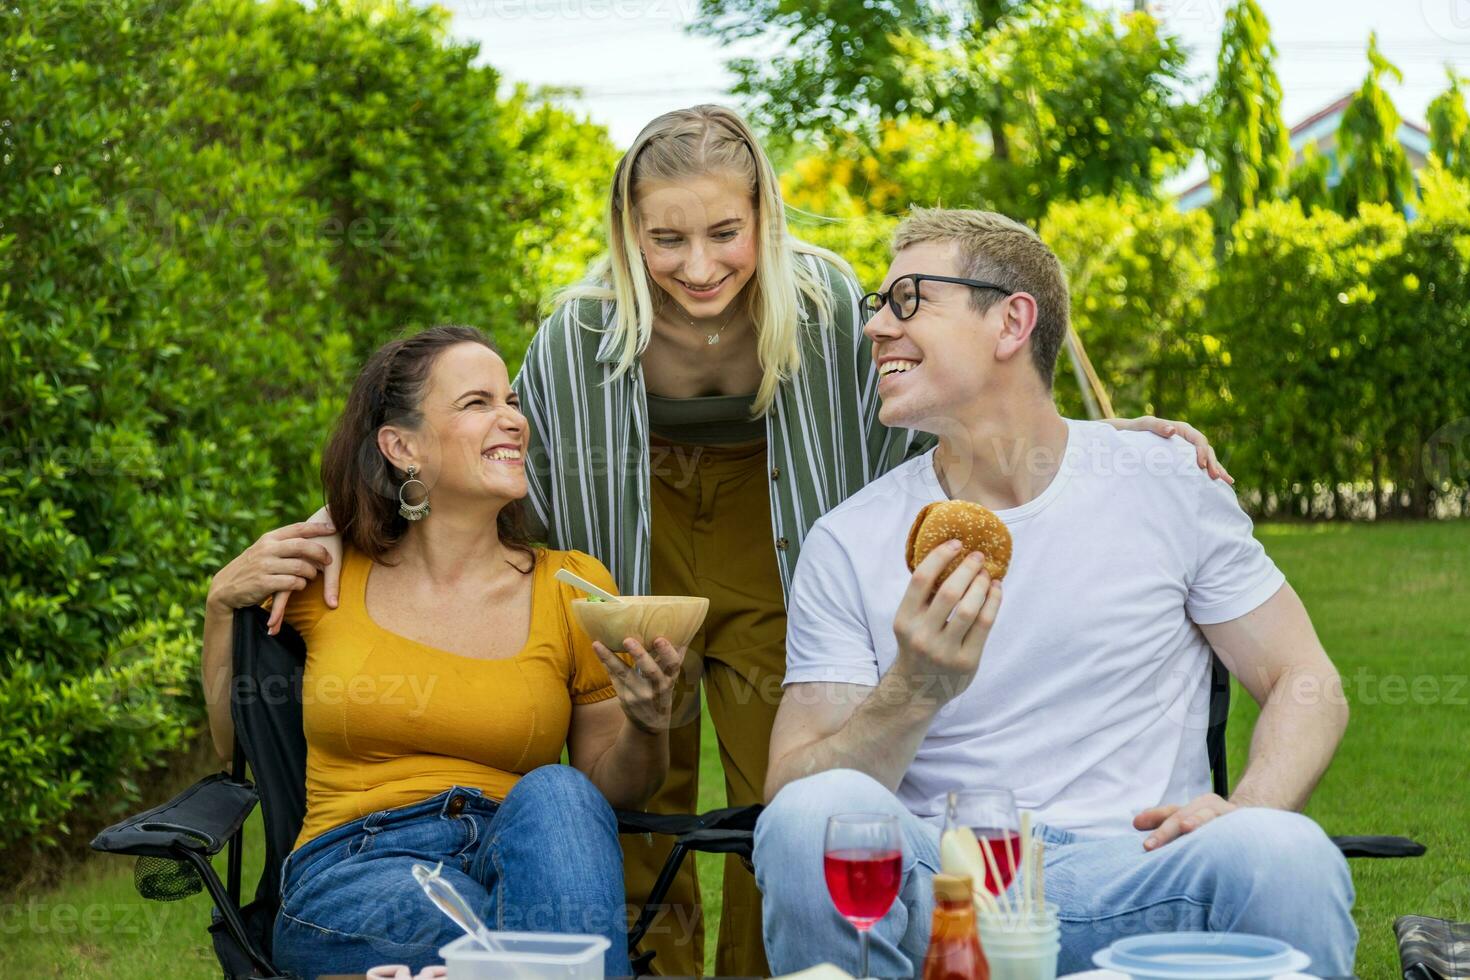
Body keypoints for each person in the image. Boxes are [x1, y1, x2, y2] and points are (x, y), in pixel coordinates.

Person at [261, 106, 1228, 976]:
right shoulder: (577, 332)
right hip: (637, 533)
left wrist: (1101, 439)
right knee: (647, 779)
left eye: (724, 232)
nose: (697, 264)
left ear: (764, 217)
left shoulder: (825, 306)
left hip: (779, 535)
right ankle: (646, 968)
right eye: (665, 237)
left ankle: (770, 969)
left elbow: (926, 401)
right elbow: (507, 455)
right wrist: (359, 514)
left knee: (787, 788)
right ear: (628, 232)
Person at [755, 209, 1357, 977]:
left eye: (908, 299)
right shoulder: (849, 540)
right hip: (946, 887)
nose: (875, 326)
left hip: (1140, 870)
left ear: (1012, 321)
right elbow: (794, 789)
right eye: (877, 304)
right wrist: (915, 687)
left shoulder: (1164, 482)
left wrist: (1247, 810)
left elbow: (1306, 681)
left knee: (1284, 853)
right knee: (812, 820)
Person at [202, 326, 682, 978]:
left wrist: (648, 722)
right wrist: (219, 608)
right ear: (402, 447)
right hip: (359, 865)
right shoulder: (325, 577)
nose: (512, 419)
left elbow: (613, 786)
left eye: (511, 400)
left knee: (563, 793)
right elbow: (234, 742)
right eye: (477, 403)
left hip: (517, 847)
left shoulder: (572, 586)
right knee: (515, 948)